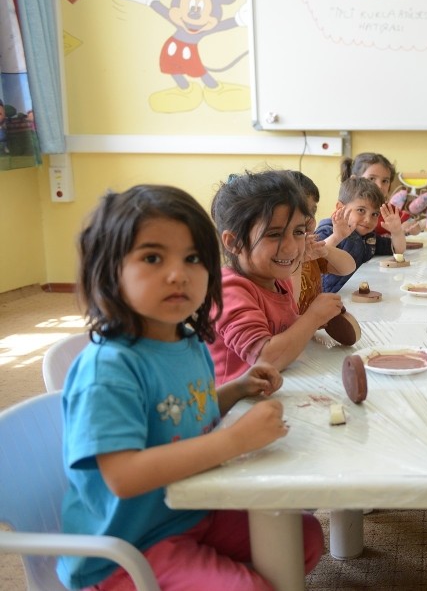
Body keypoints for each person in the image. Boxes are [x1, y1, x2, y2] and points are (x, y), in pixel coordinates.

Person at [58, 184, 323, 590]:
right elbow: (123, 476)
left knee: (300, 538)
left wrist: (234, 390)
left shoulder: (185, 340)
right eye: (152, 257)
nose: (178, 273)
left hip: (191, 509)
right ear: (109, 269)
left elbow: (180, 410)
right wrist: (235, 440)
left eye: (193, 258)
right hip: (127, 548)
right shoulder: (108, 370)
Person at [209, 169, 354, 384]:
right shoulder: (229, 290)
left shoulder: (277, 279)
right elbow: (265, 360)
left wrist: (316, 321)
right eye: (274, 234)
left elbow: (281, 326)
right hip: (235, 409)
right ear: (234, 242)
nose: (291, 247)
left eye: (298, 232)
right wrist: (312, 317)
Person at [315, 176, 407, 293]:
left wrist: (397, 232)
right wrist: (336, 237)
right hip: (329, 297)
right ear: (340, 208)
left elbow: (398, 250)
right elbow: (313, 254)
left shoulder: (369, 236)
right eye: (361, 210)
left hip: (356, 296)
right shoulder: (328, 230)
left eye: (374, 214)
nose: (368, 220)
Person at [286, 170, 356, 313]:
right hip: (293, 331)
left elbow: (348, 267)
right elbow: (288, 304)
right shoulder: (280, 259)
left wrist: (326, 249)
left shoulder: (310, 247)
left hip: (313, 328)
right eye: (302, 211)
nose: (310, 218)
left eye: (313, 211)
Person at [340, 152, 423, 236]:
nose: (379, 186)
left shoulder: (388, 210)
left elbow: (410, 221)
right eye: (371, 178)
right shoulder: (345, 209)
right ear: (355, 180)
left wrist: (409, 226)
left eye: (385, 181)